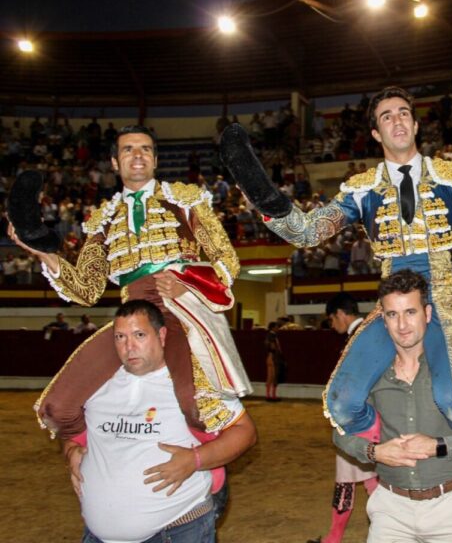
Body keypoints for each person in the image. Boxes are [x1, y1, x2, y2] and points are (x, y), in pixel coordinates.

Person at [223, 86, 452, 439]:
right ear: (377, 133)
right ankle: (388, 444)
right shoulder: (361, 190)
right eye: (387, 116)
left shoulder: (450, 177)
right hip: (391, 302)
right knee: (342, 403)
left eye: (404, 113)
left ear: (415, 125)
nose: (397, 120)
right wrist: (264, 198)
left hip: (441, 299)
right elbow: (308, 231)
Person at [9, 125, 250, 441]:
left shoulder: (185, 199)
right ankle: (85, 452)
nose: (137, 155)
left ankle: (207, 476)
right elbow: (87, 289)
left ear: (155, 159)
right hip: (132, 317)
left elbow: (227, 260)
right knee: (57, 407)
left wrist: (187, 283)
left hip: (182, 311)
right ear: (113, 162)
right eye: (128, 149)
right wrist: (45, 256)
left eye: (145, 149)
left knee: (199, 406)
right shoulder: (103, 219)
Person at [333, 270, 452, 542]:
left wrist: (440, 446)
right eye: (392, 314)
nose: (402, 324)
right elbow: (340, 433)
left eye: (410, 312)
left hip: (450, 507)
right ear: (384, 319)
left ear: (427, 314)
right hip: (390, 509)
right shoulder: (372, 373)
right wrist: (374, 451)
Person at [65, 300, 257, 543]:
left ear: (162, 335)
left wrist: (195, 459)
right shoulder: (97, 383)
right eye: (120, 337)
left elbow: (245, 432)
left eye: (139, 335)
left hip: (177, 530)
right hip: (97, 535)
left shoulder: (192, 381)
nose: (129, 347)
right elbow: (75, 433)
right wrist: (71, 450)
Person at [308, 293, 378, 543]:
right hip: (370, 418)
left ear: (339, 313)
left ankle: (334, 538)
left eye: (331, 319)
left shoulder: (357, 336)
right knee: (370, 476)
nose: (332, 325)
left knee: (348, 481)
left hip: (357, 421)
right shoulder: (368, 331)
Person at [264, 322, 283, 402]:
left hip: (271, 356)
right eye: (276, 327)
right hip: (273, 357)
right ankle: (272, 395)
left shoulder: (271, 335)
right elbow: (273, 347)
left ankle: (269, 395)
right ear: (272, 328)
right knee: (274, 376)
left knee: (271, 377)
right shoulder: (272, 336)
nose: (277, 328)